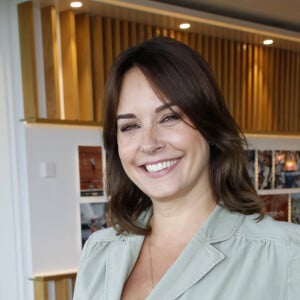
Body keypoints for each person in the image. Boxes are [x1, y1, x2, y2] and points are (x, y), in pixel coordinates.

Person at [73, 36, 300, 300]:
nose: (149, 144)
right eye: (130, 126)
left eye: (170, 117)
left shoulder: (286, 254)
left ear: (209, 126)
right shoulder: (99, 251)